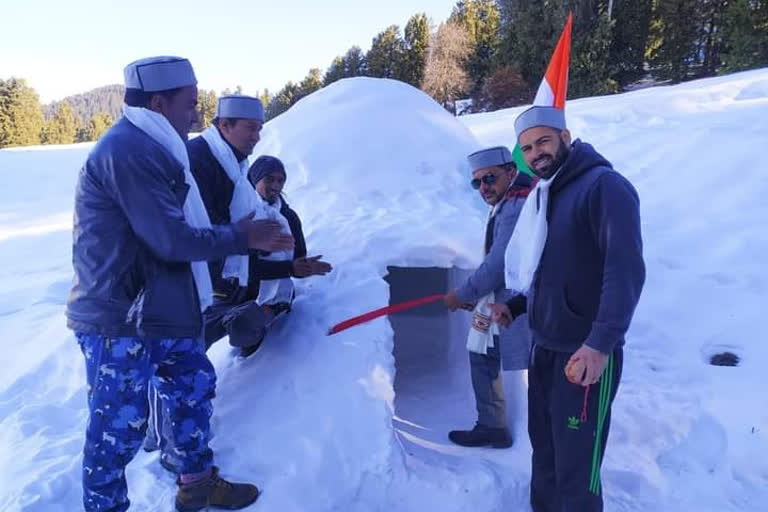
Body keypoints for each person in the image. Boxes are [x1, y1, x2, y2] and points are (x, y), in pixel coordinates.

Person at [66, 56, 293, 512]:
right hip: (121, 317)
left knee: (193, 388)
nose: (196, 112)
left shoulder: (161, 146)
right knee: (118, 427)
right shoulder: (127, 151)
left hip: (164, 308)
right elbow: (170, 238)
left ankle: (197, 483)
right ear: (158, 101)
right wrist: (241, 237)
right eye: (190, 103)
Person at [494, 106, 645, 512]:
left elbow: (624, 271)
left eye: (543, 141)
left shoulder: (604, 187)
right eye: (526, 148)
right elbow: (552, 270)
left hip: (584, 356)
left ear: (565, 136)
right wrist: (518, 305)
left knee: (577, 467)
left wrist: (599, 344)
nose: (534, 153)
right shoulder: (547, 193)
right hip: (544, 350)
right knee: (544, 454)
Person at [187, 99, 331, 357]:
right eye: (269, 179)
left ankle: (250, 350)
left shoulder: (288, 217)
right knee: (198, 337)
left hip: (263, 295)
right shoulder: (242, 208)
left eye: (280, 180)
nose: (275, 185)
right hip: (227, 290)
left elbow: (296, 261)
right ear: (255, 178)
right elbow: (230, 256)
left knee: (247, 325)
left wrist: (298, 268)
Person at [442, 146, 534, 448]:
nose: (483, 188)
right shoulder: (508, 202)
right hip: (499, 300)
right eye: (477, 182)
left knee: (534, 366)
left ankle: (529, 436)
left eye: (490, 178)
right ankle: (491, 425)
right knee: (481, 353)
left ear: (511, 172)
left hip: (521, 305)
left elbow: (499, 263)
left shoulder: (517, 206)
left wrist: (462, 294)